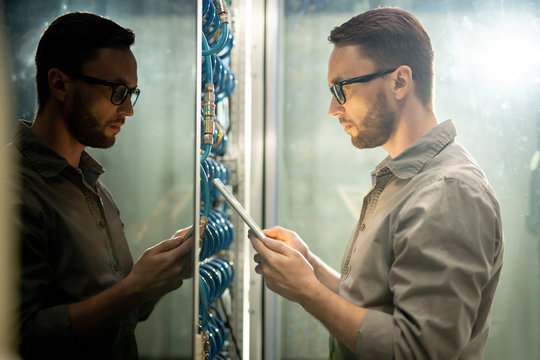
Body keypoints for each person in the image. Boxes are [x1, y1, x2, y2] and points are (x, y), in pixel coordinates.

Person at [250, 7, 504, 360]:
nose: (332, 109)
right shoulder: (405, 176)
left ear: (400, 81)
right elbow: (374, 308)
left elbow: (417, 349)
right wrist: (308, 266)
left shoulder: (447, 192)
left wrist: (308, 291)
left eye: (342, 89)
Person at [4, 12, 193, 359]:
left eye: (131, 93)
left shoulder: (92, 188)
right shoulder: (12, 188)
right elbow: (19, 338)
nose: (128, 110)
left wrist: (164, 272)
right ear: (60, 84)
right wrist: (134, 290)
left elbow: (118, 314)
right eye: (117, 91)